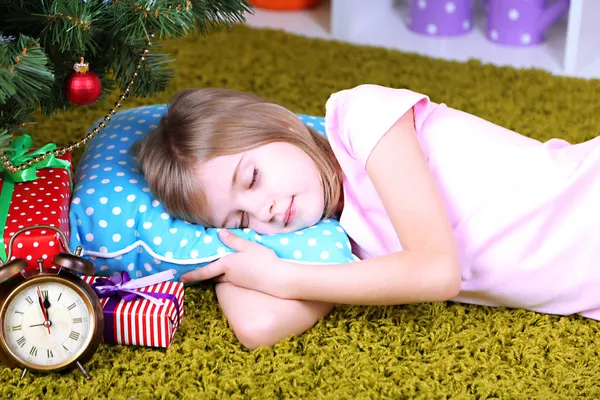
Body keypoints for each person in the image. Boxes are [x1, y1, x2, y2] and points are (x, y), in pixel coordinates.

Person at [132, 84, 600, 350]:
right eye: (238, 219)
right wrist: (229, 258)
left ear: (279, 126)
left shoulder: (361, 117)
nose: (264, 211)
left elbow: (438, 271)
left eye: (252, 177)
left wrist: (278, 275)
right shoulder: (330, 237)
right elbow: (259, 328)